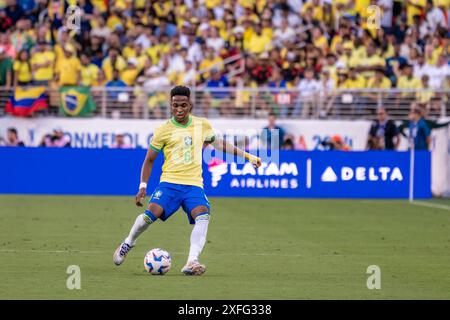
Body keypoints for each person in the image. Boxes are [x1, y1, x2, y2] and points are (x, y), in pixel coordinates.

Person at [113, 86, 262, 275]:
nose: (179, 109)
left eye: (183, 105)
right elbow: (149, 160)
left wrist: (248, 157)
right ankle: (128, 242)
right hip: (169, 183)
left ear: (190, 105)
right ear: (170, 105)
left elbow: (221, 144)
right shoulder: (163, 130)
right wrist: (143, 186)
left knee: (203, 214)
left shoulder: (201, 125)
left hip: (194, 185)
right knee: (150, 215)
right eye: (175, 105)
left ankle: (192, 262)